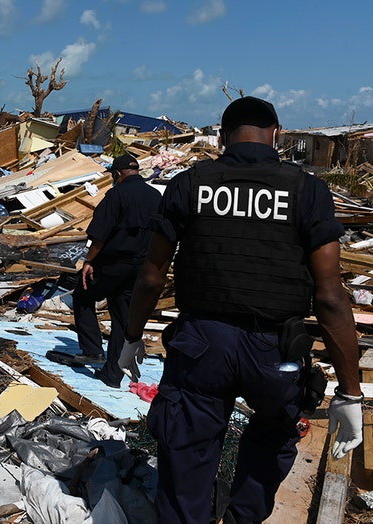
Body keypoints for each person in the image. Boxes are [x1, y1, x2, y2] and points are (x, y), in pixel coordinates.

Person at [120, 96, 363, 523]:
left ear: (221, 135)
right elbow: (330, 296)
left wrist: (131, 335)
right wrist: (349, 392)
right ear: (278, 133)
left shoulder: (190, 183)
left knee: (186, 453)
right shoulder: (307, 190)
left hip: (201, 347)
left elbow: (152, 276)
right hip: (276, 351)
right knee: (272, 439)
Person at [70, 154, 161, 389]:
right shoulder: (155, 196)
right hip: (140, 266)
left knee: (82, 296)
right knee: (122, 317)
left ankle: (92, 351)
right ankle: (112, 375)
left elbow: (100, 235)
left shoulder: (116, 194)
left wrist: (89, 262)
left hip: (112, 264)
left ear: (117, 175)